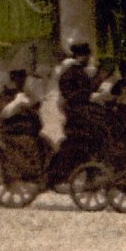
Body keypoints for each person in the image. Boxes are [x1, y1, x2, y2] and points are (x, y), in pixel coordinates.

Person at [44, 35, 101, 188]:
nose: (89, 57)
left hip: (80, 112)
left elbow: (85, 89)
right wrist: (90, 96)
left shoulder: (78, 71)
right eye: (87, 54)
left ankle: (92, 173)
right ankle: (86, 174)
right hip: (76, 114)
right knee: (87, 141)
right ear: (81, 56)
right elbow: (71, 94)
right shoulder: (71, 72)